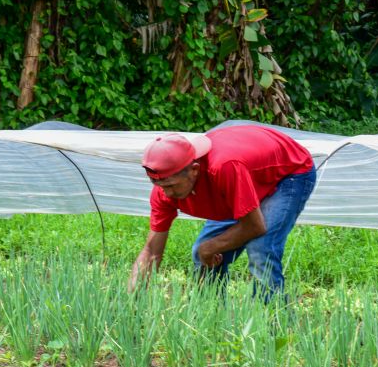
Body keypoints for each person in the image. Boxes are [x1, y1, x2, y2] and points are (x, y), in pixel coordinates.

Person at [129, 124, 316, 299]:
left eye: (171, 185)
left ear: (194, 170)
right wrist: (131, 302)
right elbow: (152, 252)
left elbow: (254, 227)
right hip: (242, 176)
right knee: (200, 254)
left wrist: (209, 248)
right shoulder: (164, 192)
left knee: (261, 248)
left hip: (288, 172)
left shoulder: (222, 168)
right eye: (160, 186)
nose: (168, 193)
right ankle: (213, 320)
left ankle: (274, 324)